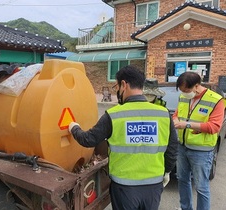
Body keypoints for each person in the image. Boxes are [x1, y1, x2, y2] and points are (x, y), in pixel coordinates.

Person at [68, 65, 178, 210]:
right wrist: (166, 172)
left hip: (125, 188)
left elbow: (88, 139)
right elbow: (172, 148)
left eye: (117, 87)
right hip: (153, 185)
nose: (118, 91)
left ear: (124, 85)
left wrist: (73, 127)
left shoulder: (114, 115)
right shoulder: (163, 114)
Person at [173, 72, 225, 210]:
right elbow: (177, 115)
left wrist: (187, 124)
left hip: (201, 151)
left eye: (186, 90)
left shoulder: (217, 100)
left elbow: (215, 126)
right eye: (181, 91)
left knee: (201, 187)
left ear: (197, 86)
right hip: (182, 147)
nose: (184, 93)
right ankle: (185, 208)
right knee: (182, 181)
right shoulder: (183, 97)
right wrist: (175, 120)